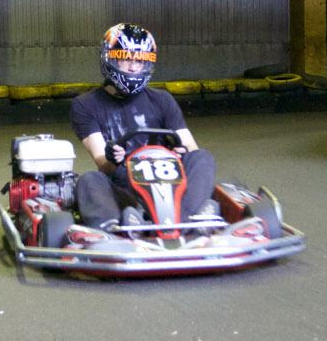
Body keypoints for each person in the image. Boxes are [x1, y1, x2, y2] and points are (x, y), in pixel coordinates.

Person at [69, 23, 218, 231]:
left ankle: (184, 219)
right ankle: (116, 227)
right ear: (109, 58)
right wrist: (113, 158)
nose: (133, 67)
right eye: (126, 59)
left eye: (139, 61)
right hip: (124, 184)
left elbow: (190, 147)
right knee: (89, 179)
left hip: (169, 180)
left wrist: (180, 152)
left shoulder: (162, 99)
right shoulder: (85, 105)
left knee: (202, 157)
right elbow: (103, 163)